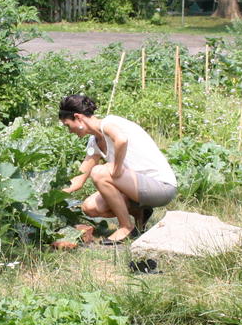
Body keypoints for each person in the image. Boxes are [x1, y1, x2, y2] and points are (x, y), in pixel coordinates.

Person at [58, 94, 178, 244]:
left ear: (78, 117)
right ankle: (139, 212)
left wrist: (117, 167)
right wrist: (52, 195)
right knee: (89, 207)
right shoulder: (94, 142)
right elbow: (79, 179)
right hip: (136, 187)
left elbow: (121, 139)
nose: (70, 131)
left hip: (161, 186)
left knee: (99, 172)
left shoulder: (109, 123)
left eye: (68, 125)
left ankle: (125, 227)